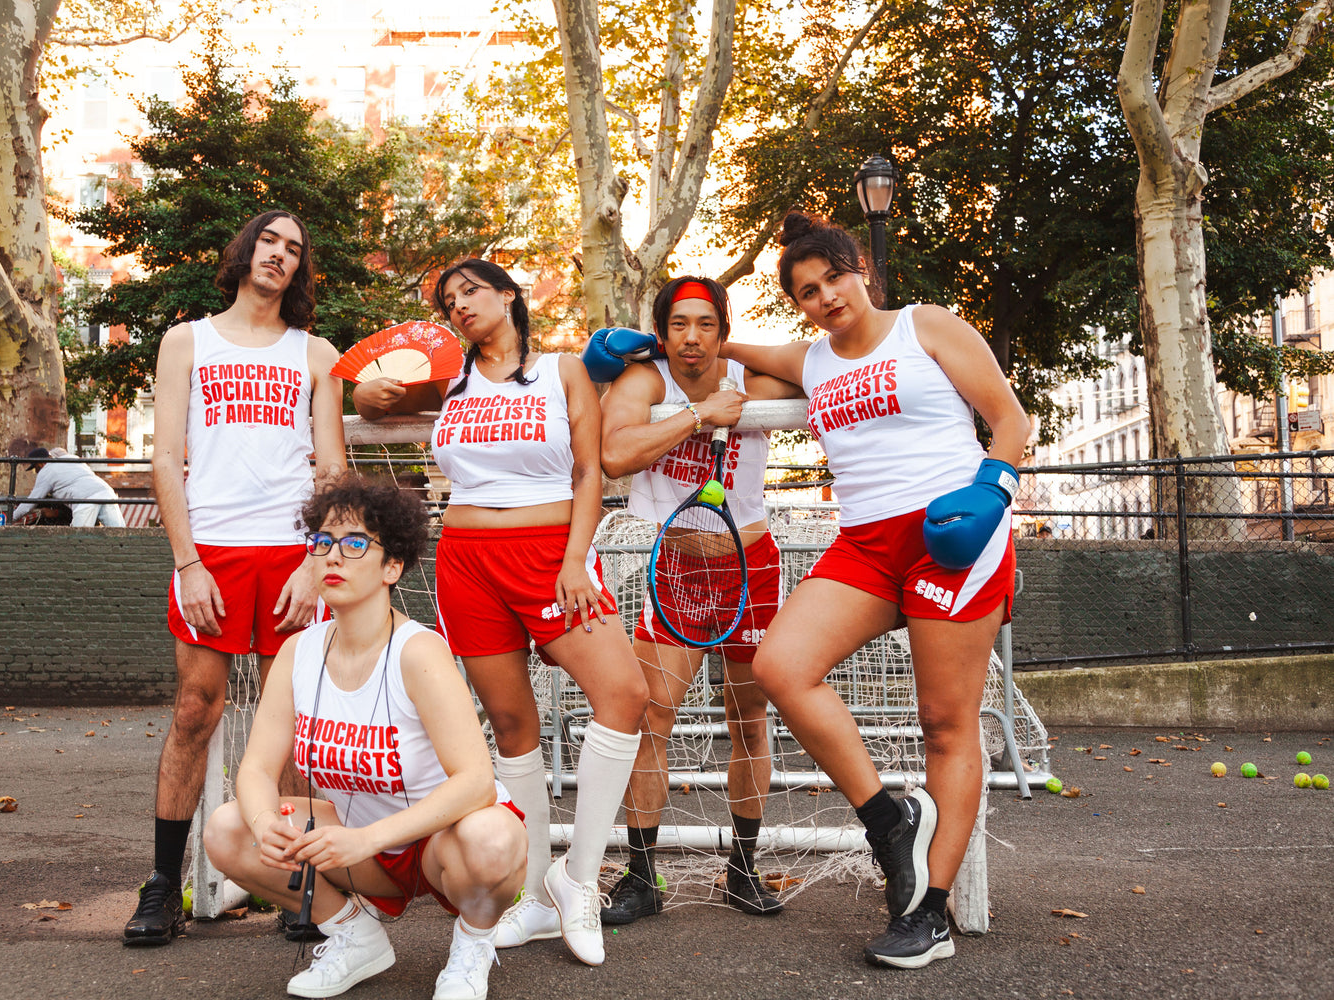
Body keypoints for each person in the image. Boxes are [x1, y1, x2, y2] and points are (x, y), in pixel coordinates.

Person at [718, 210, 1029, 970]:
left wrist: (994, 489)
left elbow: (1010, 417)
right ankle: (889, 823)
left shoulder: (926, 326)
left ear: (860, 269)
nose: (825, 298)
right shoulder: (812, 360)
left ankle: (929, 911)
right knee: (778, 667)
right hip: (864, 543)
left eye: (833, 279)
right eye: (806, 292)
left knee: (944, 724)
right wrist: (671, 340)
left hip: (953, 529)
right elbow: (719, 352)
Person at [352, 259, 647, 967]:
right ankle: (535, 902)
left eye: (471, 292)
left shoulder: (562, 371)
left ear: (508, 296)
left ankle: (576, 879)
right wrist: (364, 388)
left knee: (624, 694)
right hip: (468, 562)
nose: (459, 307)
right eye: (448, 302)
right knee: (512, 726)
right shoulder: (447, 382)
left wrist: (577, 559)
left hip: (552, 555)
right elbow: (371, 408)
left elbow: (588, 471)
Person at [204, 473, 527, 1000]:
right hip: (360, 849)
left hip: (440, 844)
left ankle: (473, 946)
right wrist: (266, 826)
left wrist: (367, 838)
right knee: (227, 828)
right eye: (322, 543)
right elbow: (258, 769)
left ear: (392, 567)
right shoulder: (298, 654)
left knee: (491, 839)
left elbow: (476, 784)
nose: (332, 557)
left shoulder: (418, 652)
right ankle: (354, 935)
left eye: (355, 544)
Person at [123, 210, 346, 946]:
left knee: (295, 730)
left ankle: (300, 886)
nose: (279, 255)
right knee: (196, 709)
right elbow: (164, 460)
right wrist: (186, 561)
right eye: (269, 241)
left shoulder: (316, 354)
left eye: (294, 250)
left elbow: (333, 470)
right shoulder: (187, 340)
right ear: (244, 250)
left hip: (291, 558)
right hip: (210, 551)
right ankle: (163, 887)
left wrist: (319, 560)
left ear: (300, 270)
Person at [592, 276, 801, 922]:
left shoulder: (749, 376)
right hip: (676, 569)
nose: (692, 337)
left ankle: (741, 868)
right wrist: (701, 415)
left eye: (706, 323)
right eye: (678, 324)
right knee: (651, 719)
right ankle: (643, 876)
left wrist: (737, 367)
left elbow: (812, 368)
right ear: (661, 333)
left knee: (749, 721)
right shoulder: (647, 382)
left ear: (724, 330)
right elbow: (615, 454)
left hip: (750, 568)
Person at [12, 447, 126, 527]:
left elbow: (30, 502)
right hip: (105, 491)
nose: (36, 472)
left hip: (84, 499)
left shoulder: (46, 471)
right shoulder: (73, 459)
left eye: (35, 468)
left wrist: (11, 517)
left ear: (40, 464)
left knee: (78, 540)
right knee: (120, 535)